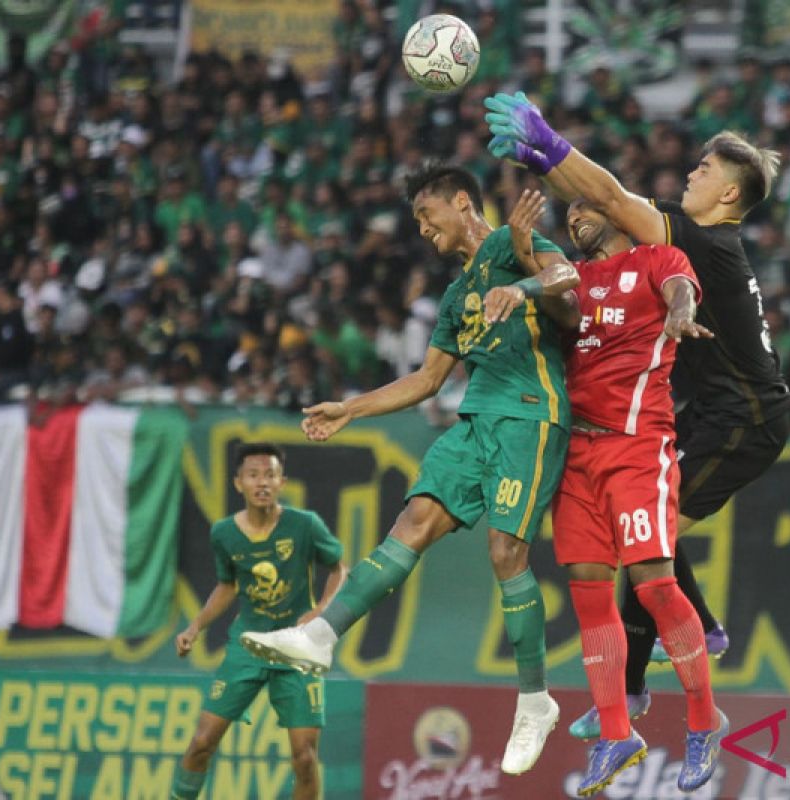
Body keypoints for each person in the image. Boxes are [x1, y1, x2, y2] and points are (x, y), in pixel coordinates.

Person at [240, 166, 580, 775]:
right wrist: (352, 408)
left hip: (530, 416)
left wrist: (525, 277)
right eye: (418, 222)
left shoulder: (511, 244)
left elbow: (569, 283)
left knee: (506, 554)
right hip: (474, 421)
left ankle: (535, 700)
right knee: (414, 520)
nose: (422, 230)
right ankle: (319, 638)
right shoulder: (454, 298)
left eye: (427, 216)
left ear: (460, 202)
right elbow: (426, 381)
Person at [484, 93, 790, 737]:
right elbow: (603, 199)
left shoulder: (708, 243)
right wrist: (545, 159)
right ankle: (699, 633)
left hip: (745, 420)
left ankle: (631, 696)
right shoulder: (701, 235)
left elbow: (613, 197)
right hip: (712, 410)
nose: (691, 174)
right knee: (647, 533)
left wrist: (551, 141)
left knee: (642, 545)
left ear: (731, 196)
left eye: (705, 170)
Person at [483, 193, 729, 795]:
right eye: (566, 212)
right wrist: (521, 255)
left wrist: (678, 310)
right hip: (578, 455)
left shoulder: (657, 259)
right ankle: (617, 732)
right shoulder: (577, 279)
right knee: (591, 598)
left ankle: (703, 720)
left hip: (637, 445)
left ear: (621, 213)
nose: (572, 217)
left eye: (586, 206)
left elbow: (682, 290)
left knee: (654, 584)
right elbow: (563, 307)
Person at [170, 442, 346, 800]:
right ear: (239, 484)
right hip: (247, 647)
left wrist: (322, 608)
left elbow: (339, 568)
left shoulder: (304, 525)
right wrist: (195, 627)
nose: (261, 482)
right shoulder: (224, 533)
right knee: (201, 743)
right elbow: (227, 584)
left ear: (282, 482)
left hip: (298, 650)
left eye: (270, 474)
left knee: (305, 758)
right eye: (253, 475)